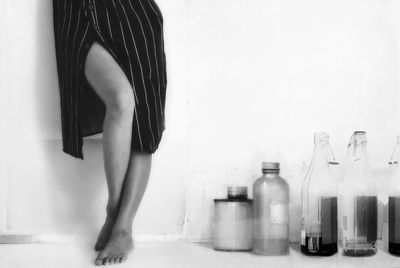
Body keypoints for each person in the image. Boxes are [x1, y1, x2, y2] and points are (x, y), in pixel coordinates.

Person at [52, 0, 167, 265]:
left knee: (144, 122)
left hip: (134, 15)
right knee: (122, 99)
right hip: (78, 13)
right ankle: (114, 209)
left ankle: (123, 228)